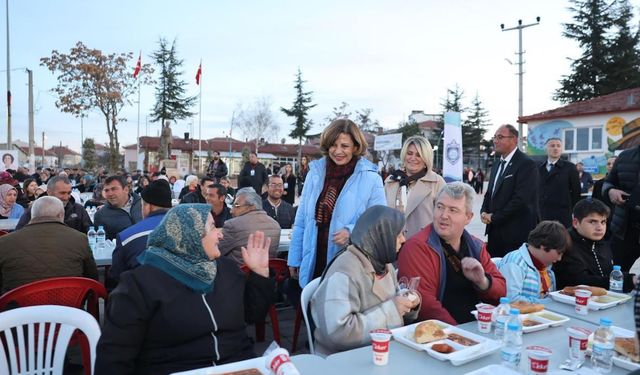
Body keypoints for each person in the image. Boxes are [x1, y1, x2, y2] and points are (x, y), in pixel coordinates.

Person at [95, 204, 275, 375]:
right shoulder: (140, 284)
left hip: (237, 365)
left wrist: (260, 274)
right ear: (191, 235)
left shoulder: (226, 269)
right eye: (212, 227)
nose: (220, 235)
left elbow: (252, 314)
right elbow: (114, 355)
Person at [288, 119, 387, 287]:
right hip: (313, 262)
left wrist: (352, 232)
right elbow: (302, 221)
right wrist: (295, 258)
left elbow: (379, 224)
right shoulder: (315, 174)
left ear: (356, 147)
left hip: (349, 266)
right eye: (333, 145)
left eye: (345, 146)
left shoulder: (371, 178)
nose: (338, 151)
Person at [311, 205, 420, 356]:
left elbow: (392, 301)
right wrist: (393, 310)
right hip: (343, 361)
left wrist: (407, 303)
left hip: (379, 352)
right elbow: (337, 332)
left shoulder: (384, 264)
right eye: (399, 234)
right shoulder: (344, 271)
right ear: (381, 235)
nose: (403, 240)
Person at [397, 182, 506, 325]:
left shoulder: (477, 246)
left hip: (476, 328)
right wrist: (459, 335)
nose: (444, 215)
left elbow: (502, 293)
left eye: (453, 210)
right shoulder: (416, 247)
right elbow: (426, 306)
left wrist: (483, 281)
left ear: (468, 217)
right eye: (440, 207)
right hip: (439, 335)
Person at [0, 196, 98, 293]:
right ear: (61, 215)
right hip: (68, 305)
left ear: (32, 215)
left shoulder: (4, 242)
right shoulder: (79, 239)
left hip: (19, 306)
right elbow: (92, 277)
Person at [481, 124, 539, 257]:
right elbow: (490, 193)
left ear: (514, 139)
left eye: (500, 137)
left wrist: (494, 217)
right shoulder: (496, 164)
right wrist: (484, 211)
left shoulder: (526, 164)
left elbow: (521, 200)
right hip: (495, 232)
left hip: (515, 233)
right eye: (494, 137)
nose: (495, 141)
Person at [555, 198, 637, 292]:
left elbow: (606, 274)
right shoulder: (566, 244)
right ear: (576, 223)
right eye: (593, 222)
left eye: (603, 222)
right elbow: (580, 282)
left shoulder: (601, 242)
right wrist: (628, 280)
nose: (599, 228)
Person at [110, 180, 173, 283]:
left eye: (142, 205)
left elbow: (116, 275)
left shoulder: (126, 237)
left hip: (142, 295)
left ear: (147, 206)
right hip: (183, 296)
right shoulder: (190, 231)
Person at [384, 135, 446, 238]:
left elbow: (444, 218)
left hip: (423, 247)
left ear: (426, 159)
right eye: (410, 153)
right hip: (392, 246)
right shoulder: (391, 181)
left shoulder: (437, 183)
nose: (413, 158)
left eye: (418, 155)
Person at [498, 221, 571, 303]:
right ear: (544, 245)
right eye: (559, 253)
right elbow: (511, 299)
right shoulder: (515, 263)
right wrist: (548, 303)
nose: (559, 258)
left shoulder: (546, 267)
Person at [218, 188, 281, 265]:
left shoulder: (232, 225)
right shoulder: (276, 225)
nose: (231, 210)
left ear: (252, 206)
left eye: (236, 205)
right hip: (266, 273)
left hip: (240, 273)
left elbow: (215, 251)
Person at [603, 145, 640, 271]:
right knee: (615, 274)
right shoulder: (625, 156)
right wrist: (610, 191)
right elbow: (608, 182)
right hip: (623, 229)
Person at [15, 176, 92, 233]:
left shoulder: (78, 210)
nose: (66, 197)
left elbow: (91, 233)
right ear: (49, 192)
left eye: (69, 193)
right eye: (62, 193)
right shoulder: (35, 210)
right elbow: (20, 234)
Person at [537, 138, 581, 227]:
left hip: (562, 214)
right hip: (542, 213)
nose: (555, 148)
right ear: (546, 149)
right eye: (552, 146)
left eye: (558, 146)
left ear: (561, 149)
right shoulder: (538, 168)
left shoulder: (570, 168)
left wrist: (574, 212)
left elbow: (576, 192)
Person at [94, 175, 143, 240]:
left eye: (114, 189)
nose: (110, 193)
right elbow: (102, 244)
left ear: (126, 190)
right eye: (106, 190)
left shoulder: (144, 204)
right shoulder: (101, 215)